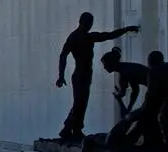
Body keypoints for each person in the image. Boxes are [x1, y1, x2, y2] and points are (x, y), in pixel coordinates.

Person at [54, 13, 140, 142]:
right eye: (87, 23)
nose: (89, 26)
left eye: (91, 24)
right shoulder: (74, 37)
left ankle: (73, 129)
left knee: (82, 103)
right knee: (79, 103)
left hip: (87, 74)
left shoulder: (89, 37)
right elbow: (63, 56)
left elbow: (109, 35)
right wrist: (61, 76)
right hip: (79, 75)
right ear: (81, 22)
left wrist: (126, 29)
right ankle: (68, 129)